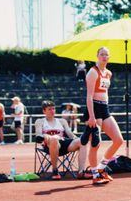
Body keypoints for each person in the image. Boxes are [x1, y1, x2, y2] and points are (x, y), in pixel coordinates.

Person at [81, 46, 124, 185]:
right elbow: (89, 96)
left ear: (109, 57)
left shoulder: (109, 73)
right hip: (94, 108)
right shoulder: (93, 72)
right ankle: (94, 174)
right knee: (95, 144)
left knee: (118, 140)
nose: (104, 56)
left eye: (106, 54)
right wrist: (92, 116)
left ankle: (101, 167)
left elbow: (105, 92)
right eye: (102, 54)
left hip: (105, 108)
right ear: (97, 56)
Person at [35, 100, 88, 180]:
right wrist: (45, 136)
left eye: (53, 109)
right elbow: (38, 135)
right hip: (49, 145)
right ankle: (55, 170)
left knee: (82, 141)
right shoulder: (40, 121)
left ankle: (81, 171)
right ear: (44, 111)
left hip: (64, 145)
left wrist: (81, 138)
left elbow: (70, 135)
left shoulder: (62, 121)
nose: (52, 111)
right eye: (49, 109)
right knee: (54, 139)